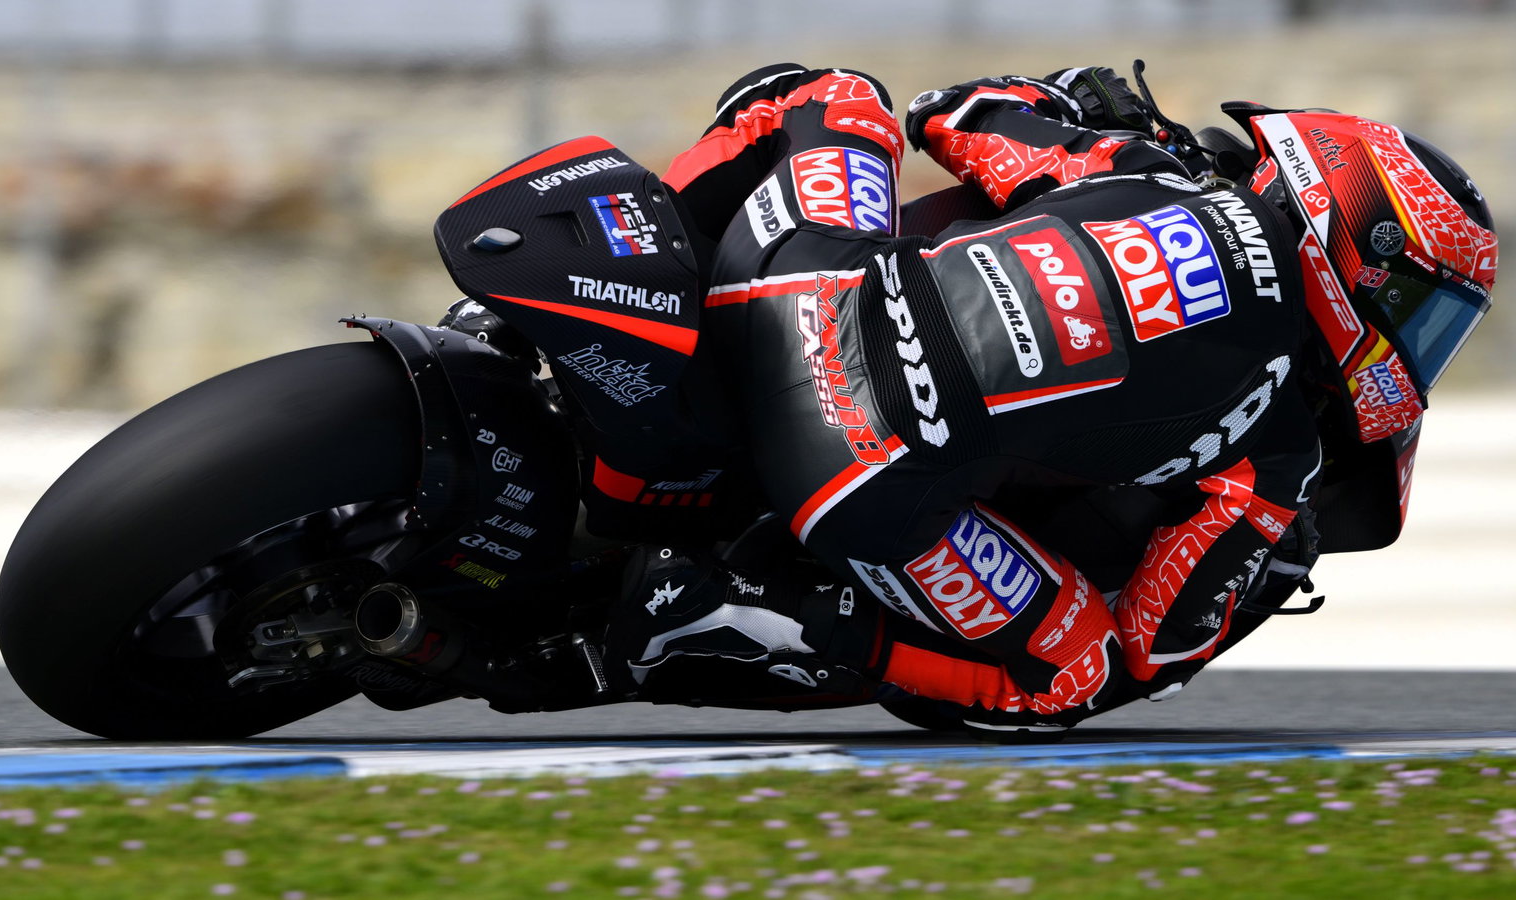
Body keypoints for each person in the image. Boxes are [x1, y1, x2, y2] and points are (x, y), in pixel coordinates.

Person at [440, 63, 1497, 733]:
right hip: (858, 467)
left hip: (807, 276)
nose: (1414, 345)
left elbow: (955, 114)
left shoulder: (1147, 170)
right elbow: (1157, 641)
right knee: (1073, 673)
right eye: (1420, 310)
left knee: (827, 96)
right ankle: (741, 613)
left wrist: (1085, 104)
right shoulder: (1277, 457)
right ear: (1358, 245)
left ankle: (643, 259)